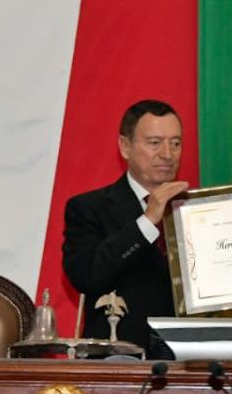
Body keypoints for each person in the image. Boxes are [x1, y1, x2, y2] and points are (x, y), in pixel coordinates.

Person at [62, 100, 189, 351]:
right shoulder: (89, 208)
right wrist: (147, 221)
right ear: (125, 147)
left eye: (175, 143)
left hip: (189, 361)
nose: (167, 154)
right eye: (154, 143)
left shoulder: (196, 211)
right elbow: (86, 275)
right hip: (119, 359)